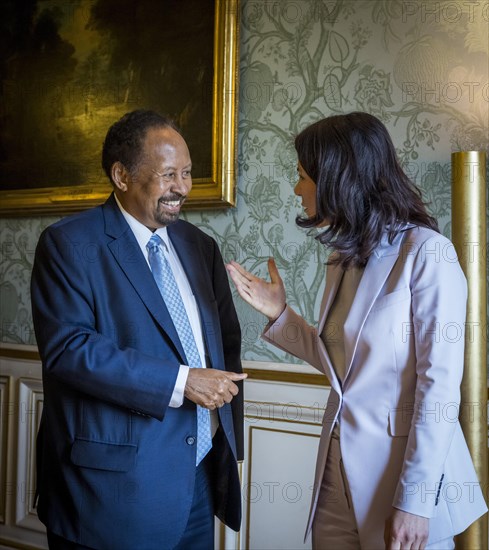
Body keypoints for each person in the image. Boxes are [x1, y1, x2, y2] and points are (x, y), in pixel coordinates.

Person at [226, 112, 487, 549]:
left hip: (401, 481)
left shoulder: (427, 254)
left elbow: (438, 389)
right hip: (334, 473)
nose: (297, 189)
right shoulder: (342, 257)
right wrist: (280, 315)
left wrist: (416, 502)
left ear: (338, 177)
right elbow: (342, 363)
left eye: (303, 176)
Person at [31, 109, 247, 550]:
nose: (182, 188)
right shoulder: (69, 243)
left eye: (187, 173)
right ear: (122, 176)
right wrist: (183, 381)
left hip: (200, 478)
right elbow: (70, 350)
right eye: (168, 174)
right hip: (110, 494)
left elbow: (224, 343)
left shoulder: (200, 246)